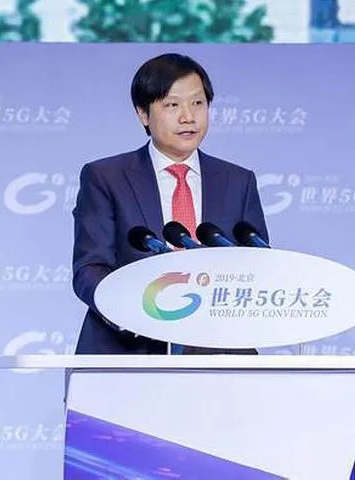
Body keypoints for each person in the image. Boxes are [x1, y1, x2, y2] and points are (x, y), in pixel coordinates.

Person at [71, 53, 269, 356]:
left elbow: (257, 266)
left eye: (198, 103)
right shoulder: (105, 177)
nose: (188, 116)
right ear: (143, 114)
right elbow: (90, 269)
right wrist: (131, 313)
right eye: (172, 105)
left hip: (219, 350)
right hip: (129, 351)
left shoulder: (238, 181)